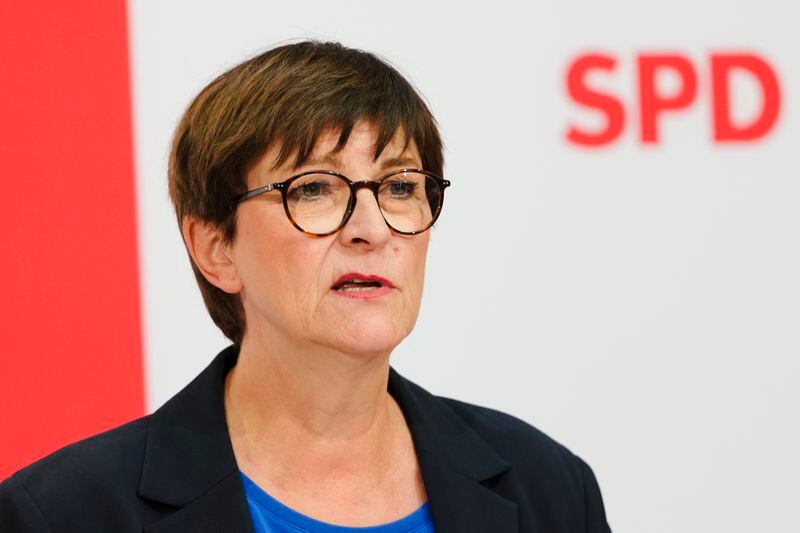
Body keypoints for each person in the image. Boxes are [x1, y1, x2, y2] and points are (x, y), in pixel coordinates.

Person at [0, 41, 612, 532]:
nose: (371, 229)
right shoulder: (63, 513)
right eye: (314, 189)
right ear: (216, 248)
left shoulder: (549, 490)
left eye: (400, 186)